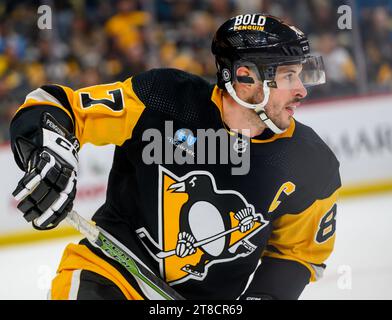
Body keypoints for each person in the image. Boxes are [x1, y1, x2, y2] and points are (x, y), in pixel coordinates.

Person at [10, 14, 341, 300]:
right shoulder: (163, 98)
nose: (301, 90)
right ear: (244, 78)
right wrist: (49, 149)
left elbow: (297, 253)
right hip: (110, 275)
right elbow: (56, 105)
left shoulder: (311, 164)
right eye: (288, 76)